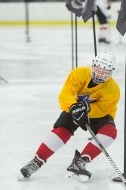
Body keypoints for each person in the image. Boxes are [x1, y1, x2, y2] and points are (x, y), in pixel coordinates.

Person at [20, 51, 120, 181]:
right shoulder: (78, 73)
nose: (100, 74)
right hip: (75, 107)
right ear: (93, 66)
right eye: (98, 69)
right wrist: (74, 107)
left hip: (99, 114)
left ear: (111, 72)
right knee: (61, 130)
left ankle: (80, 162)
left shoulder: (113, 89)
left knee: (110, 132)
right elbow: (65, 95)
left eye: (105, 72)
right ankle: (36, 161)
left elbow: (102, 109)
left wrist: (86, 110)